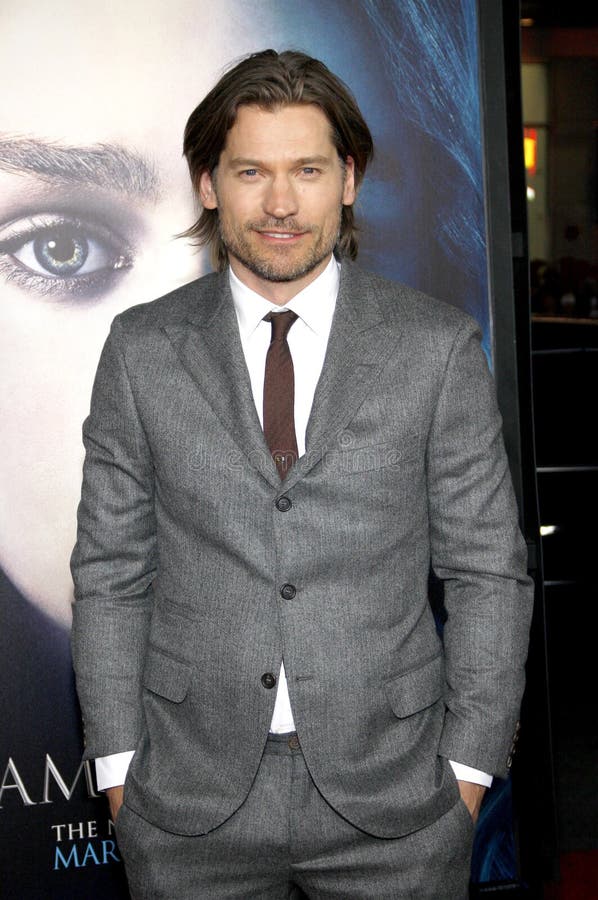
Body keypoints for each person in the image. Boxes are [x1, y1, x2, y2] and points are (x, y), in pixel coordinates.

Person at [70, 49, 533, 899]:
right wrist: (120, 770)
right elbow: (109, 573)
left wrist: (466, 776)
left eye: (308, 170)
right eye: (251, 171)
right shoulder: (141, 350)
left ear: (348, 180)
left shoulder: (435, 347)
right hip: (185, 804)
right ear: (209, 184)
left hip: (398, 806)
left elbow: (487, 574)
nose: (280, 203)